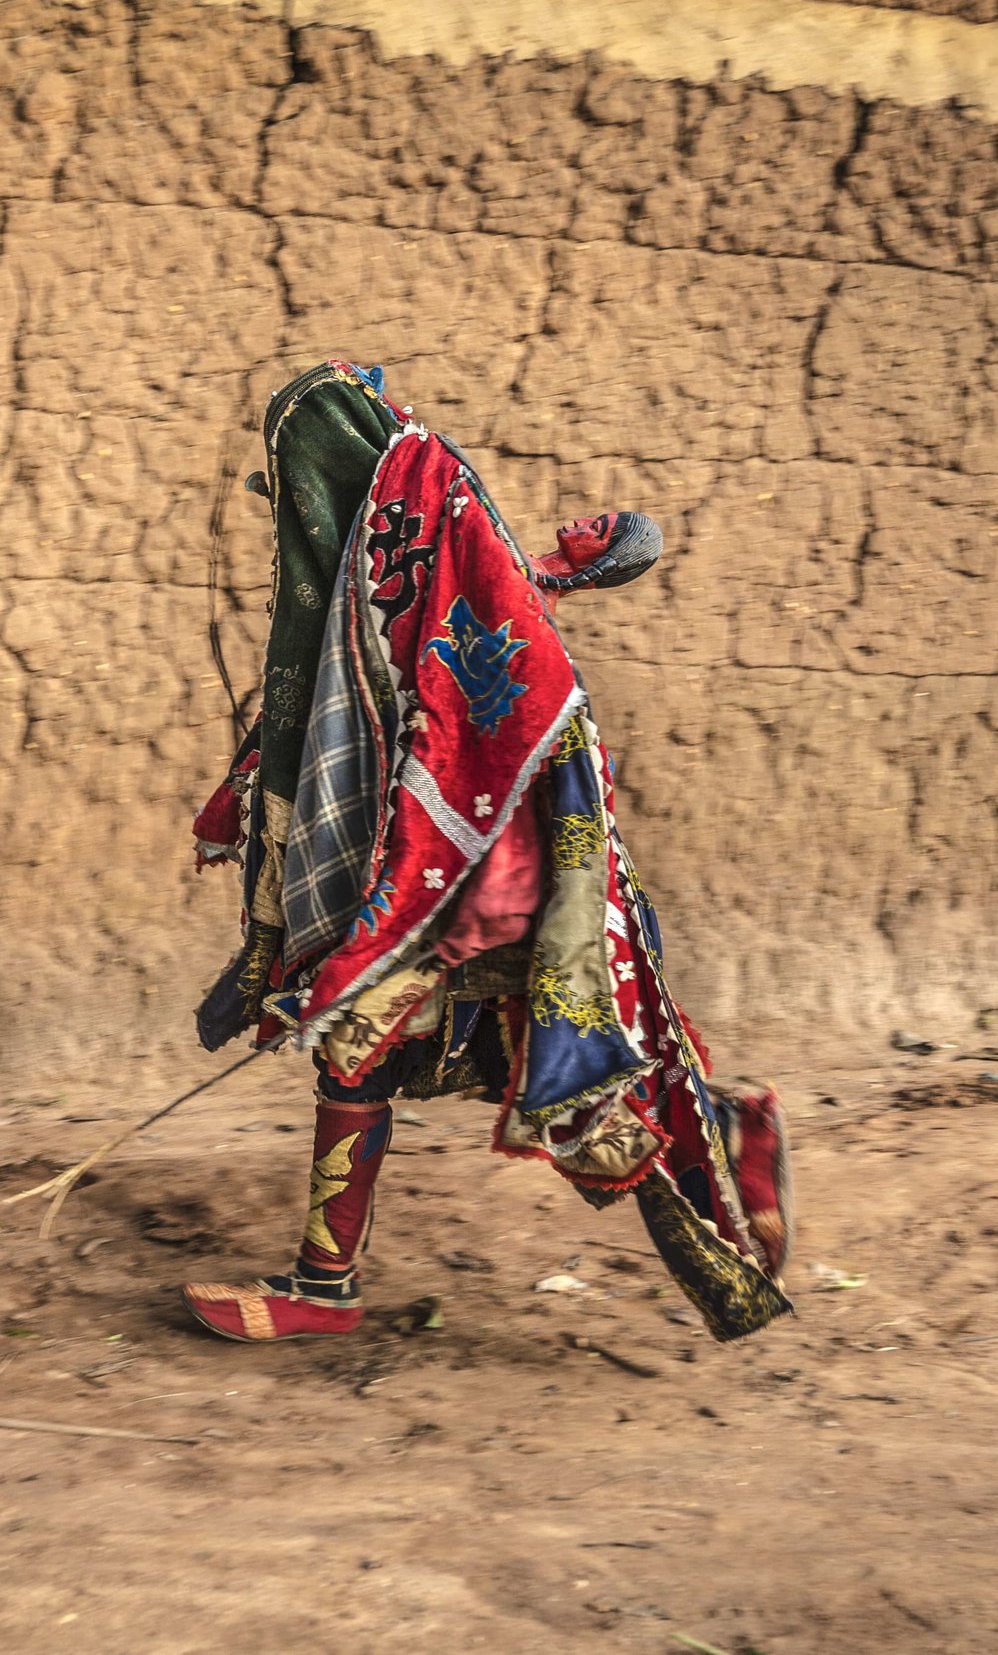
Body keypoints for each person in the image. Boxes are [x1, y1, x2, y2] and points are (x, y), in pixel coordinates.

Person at [179, 361, 791, 1344]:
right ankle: (729, 1132)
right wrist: (237, 805)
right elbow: (323, 724)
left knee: (497, 1072)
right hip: (437, 888)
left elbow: (504, 744)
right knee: (492, 1067)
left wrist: (430, 909)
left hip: (491, 893)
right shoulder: (377, 587)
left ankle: (322, 1287)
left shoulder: (450, 571)